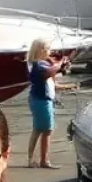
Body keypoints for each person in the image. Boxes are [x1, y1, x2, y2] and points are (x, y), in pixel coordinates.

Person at [26, 39, 70, 169]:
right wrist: (60, 62)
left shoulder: (41, 64)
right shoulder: (39, 65)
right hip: (41, 101)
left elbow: (52, 80)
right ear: (42, 50)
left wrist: (67, 85)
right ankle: (43, 161)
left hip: (40, 100)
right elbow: (51, 72)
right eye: (48, 48)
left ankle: (33, 159)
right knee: (47, 130)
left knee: (38, 130)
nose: (50, 51)